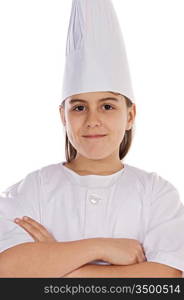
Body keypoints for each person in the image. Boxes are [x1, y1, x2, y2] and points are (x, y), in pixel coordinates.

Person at [0, 0, 184, 278]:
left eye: (108, 106)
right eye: (79, 107)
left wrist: (60, 264)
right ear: (63, 115)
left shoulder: (156, 193)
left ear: (130, 115)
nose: (92, 120)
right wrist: (100, 248)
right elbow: (8, 270)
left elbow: (167, 277)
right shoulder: (31, 190)